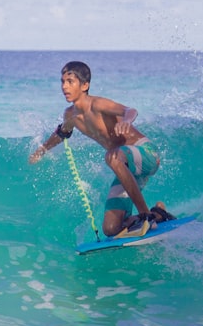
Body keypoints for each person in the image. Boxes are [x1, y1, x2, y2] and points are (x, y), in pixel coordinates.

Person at [29, 60, 174, 238]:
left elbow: (129, 110)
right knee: (111, 229)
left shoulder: (97, 104)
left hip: (146, 154)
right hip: (127, 167)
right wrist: (42, 150)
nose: (64, 86)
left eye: (70, 82)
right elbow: (62, 134)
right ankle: (159, 213)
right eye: (62, 82)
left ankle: (146, 216)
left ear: (85, 85)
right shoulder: (70, 115)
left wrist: (127, 121)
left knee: (112, 157)